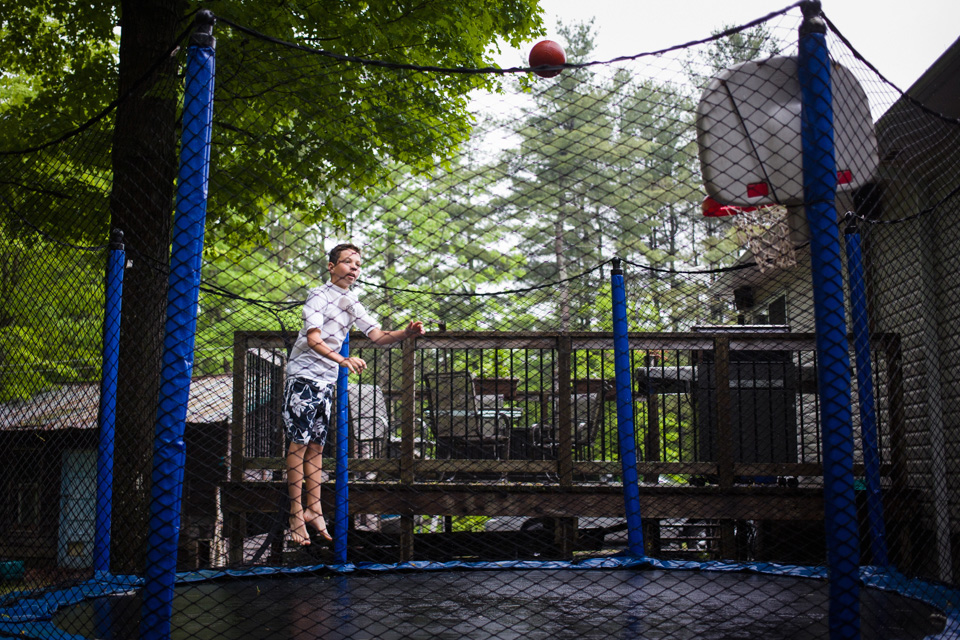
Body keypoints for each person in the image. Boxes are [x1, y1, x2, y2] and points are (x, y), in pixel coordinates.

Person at [282, 243, 424, 546]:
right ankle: (296, 514)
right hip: (304, 377)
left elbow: (378, 335)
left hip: (326, 382)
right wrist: (343, 359)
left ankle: (314, 509)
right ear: (332, 266)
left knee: (317, 447)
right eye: (347, 262)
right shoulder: (318, 296)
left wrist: (406, 333)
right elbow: (313, 338)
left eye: (358, 264)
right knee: (298, 444)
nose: (354, 268)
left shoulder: (351, 301)